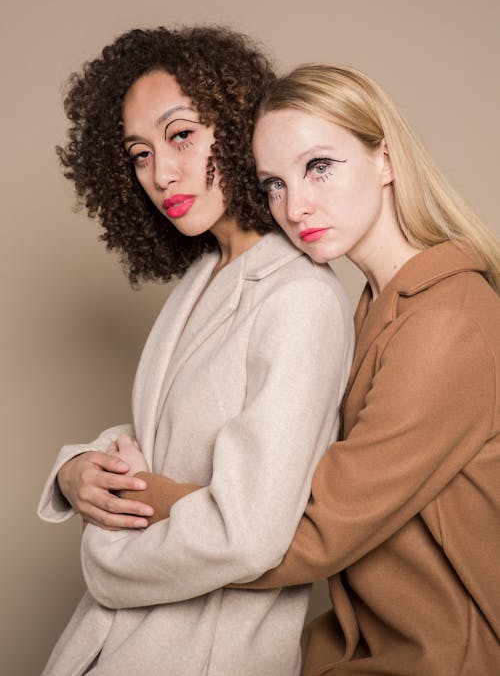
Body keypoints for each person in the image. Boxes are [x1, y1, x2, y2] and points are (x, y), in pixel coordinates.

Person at [127, 64, 500, 675]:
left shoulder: (447, 323)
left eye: (318, 167)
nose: (296, 205)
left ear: (385, 158)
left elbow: (312, 533)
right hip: (354, 648)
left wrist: (134, 502)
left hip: (444, 658)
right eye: (273, 184)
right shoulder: (375, 306)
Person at [37, 33, 354, 676]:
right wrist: (76, 472)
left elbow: (248, 532)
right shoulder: (205, 274)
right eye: (140, 153)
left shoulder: (299, 298)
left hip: (202, 654)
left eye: (181, 135)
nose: (160, 173)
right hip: (108, 647)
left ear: (238, 129)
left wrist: (107, 554)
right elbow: (177, 432)